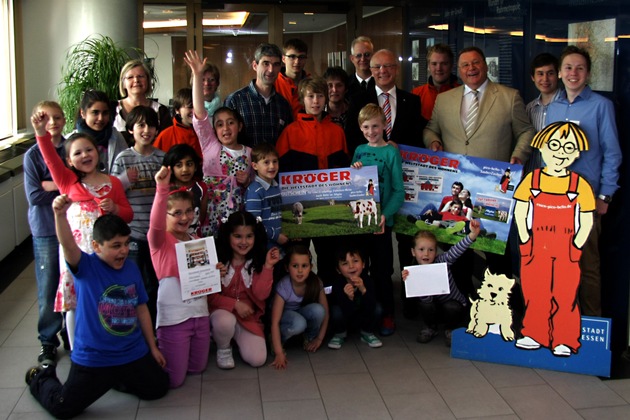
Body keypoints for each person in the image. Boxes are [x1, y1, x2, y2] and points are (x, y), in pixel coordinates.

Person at [25, 198, 168, 419]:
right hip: (94, 358)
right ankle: (40, 377)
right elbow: (68, 244)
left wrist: (153, 347)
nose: (122, 251)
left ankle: (115, 378)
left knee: (158, 388)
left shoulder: (130, 268)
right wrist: (59, 215)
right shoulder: (85, 267)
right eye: (115, 246)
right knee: (62, 407)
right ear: (96, 246)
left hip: (131, 352)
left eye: (126, 243)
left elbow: (141, 309)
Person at [31, 110, 133, 351]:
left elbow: (128, 215)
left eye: (89, 150)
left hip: (105, 256)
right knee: (76, 303)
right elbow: (49, 159)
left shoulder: (114, 183)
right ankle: (79, 349)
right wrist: (40, 133)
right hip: (76, 255)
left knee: (104, 298)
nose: (85, 155)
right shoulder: (68, 181)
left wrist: (116, 208)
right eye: (77, 153)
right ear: (68, 161)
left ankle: (106, 341)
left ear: (97, 152)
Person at [545, 45, 622, 317]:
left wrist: (605, 197)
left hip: (586, 201)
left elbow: (613, 154)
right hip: (554, 200)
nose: (573, 73)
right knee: (557, 265)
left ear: (588, 73)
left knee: (588, 267)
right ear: (560, 73)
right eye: (568, 67)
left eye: (579, 68)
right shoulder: (551, 107)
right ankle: (560, 323)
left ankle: (589, 330)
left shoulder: (601, 106)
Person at [514, 121, 595, 356]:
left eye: (568, 148)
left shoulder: (579, 184)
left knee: (566, 294)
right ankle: (534, 334)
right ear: (542, 147)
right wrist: (525, 241)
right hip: (535, 247)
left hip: (566, 250)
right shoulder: (533, 179)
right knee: (535, 292)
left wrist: (576, 247)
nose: (560, 152)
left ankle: (565, 340)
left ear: (577, 153)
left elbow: (586, 219)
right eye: (554, 145)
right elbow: (521, 211)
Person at [148, 165, 211, 387]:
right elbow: (155, 223)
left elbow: (203, 277)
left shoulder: (195, 239)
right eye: (177, 213)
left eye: (189, 211)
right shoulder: (160, 241)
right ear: (164, 215)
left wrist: (216, 270)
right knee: (174, 380)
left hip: (199, 314)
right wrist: (161, 189)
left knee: (198, 368)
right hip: (174, 319)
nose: (185, 217)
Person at [424, 46, 534, 164]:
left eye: (476, 62)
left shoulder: (510, 97)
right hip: (453, 176)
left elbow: (526, 131)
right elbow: (431, 130)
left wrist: (519, 155)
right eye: (465, 65)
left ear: (486, 66)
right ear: (459, 70)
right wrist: (433, 141)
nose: (471, 68)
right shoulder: (443, 99)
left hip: (493, 177)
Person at [185, 50, 253, 237]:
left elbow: (254, 183)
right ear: (213, 130)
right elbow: (199, 112)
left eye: (230, 123)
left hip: (236, 220)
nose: (226, 128)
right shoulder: (211, 146)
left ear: (239, 126)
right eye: (220, 124)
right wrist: (197, 75)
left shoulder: (249, 152)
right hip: (209, 217)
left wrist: (246, 180)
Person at [351, 103, 404, 336]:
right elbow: (351, 183)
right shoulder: (360, 150)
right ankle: (365, 312)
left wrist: (385, 215)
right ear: (360, 129)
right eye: (366, 127)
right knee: (361, 270)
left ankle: (387, 315)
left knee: (382, 272)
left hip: (382, 223)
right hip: (362, 221)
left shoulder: (391, 152)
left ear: (384, 125)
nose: (371, 131)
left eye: (375, 126)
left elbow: (398, 191)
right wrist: (354, 169)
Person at [111, 106, 165, 326]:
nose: (147, 130)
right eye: (141, 125)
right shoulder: (123, 159)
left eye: (151, 125)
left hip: (158, 234)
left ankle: (153, 326)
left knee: (155, 282)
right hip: (132, 233)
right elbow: (112, 193)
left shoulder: (162, 157)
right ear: (130, 130)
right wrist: (124, 180)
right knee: (132, 282)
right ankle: (130, 327)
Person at [209, 211, 282, 369]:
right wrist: (235, 304)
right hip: (221, 313)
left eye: (249, 236)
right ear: (228, 236)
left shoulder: (256, 262)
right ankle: (223, 347)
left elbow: (261, 295)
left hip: (248, 318)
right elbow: (210, 297)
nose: (244, 242)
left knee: (258, 359)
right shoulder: (218, 262)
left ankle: (232, 336)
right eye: (238, 236)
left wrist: (268, 267)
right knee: (224, 321)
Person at [24, 101, 66, 365]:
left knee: (71, 282)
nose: (53, 122)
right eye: (46, 117)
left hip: (72, 228)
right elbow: (34, 195)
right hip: (46, 230)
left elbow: (77, 184)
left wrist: (50, 182)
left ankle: (71, 333)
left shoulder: (71, 148)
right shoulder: (32, 156)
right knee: (48, 286)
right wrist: (57, 186)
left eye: (58, 117)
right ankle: (48, 341)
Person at [402, 219, 481, 346]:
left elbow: (458, 249)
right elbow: (426, 300)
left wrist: (472, 235)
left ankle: (451, 329)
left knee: (452, 307)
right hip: (433, 308)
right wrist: (410, 280)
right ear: (413, 252)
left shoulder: (443, 261)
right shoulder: (413, 272)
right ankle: (430, 328)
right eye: (421, 249)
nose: (426, 254)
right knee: (424, 304)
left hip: (453, 305)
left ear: (436, 251)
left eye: (431, 250)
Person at [345, 48, 424, 156]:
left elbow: (417, 139)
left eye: (388, 66)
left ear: (397, 69)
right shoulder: (357, 101)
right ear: (371, 71)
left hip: (403, 166)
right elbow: (351, 137)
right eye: (377, 67)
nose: (383, 71)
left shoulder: (412, 101)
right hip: (369, 166)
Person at [269, 244, 329, 369]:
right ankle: (278, 341)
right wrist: (279, 352)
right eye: (295, 266)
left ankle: (309, 337)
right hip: (286, 317)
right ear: (287, 267)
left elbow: (326, 313)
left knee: (318, 310)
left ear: (311, 267)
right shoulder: (283, 286)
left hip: (301, 313)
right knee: (298, 323)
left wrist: (319, 339)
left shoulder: (315, 282)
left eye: (304, 266)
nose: (300, 271)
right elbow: (274, 322)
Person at [224, 43, 293, 147]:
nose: (271, 70)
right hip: (243, 163)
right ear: (255, 66)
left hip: (274, 163)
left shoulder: (283, 105)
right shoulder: (235, 100)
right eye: (266, 63)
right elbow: (225, 141)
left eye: (276, 64)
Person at [327, 245, 382, 350]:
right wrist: (349, 298)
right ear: (338, 270)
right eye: (345, 263)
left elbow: (371, 306)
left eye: (355, 261)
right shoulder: (338, 284)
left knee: (378, 308)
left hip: (363, 316)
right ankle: (340, 334)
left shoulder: (368, 280)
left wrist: (363, 290)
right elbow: (345, 310)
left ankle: (367, 333)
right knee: (336, 311)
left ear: (364, 264)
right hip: (347, 317)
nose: (351, 266)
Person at [114, 59, 172, 144]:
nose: (136, 80)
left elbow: (167, 142)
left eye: (140, 76)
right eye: (130, 77)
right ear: (123, 84)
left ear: (148, 81)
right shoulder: (112, 108)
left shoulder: (161, 111)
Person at [70, 90, 127, 174]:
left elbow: (126, 165)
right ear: (83, 113)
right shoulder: (71, 140)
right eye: (95, 113)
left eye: (105, 113)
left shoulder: (116, 137)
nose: (100, 118)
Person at [245, 143, 288, 250]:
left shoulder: (276, 187)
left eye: (275, 161)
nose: (272, 166)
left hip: (279, 247)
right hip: (263, 248)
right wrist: (276, 236)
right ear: (255, 166)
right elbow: (253, 223)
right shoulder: (255, 190)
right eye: (266, 162)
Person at [525, 52, 562, 173]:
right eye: (540, 74)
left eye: (550, 73)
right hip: (533, 175)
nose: (545, 79)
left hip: (559, 177)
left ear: (558, 75)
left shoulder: (568, 107)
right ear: (533, 77)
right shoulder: (529, 108)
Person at [162, 144, 208, 237]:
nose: (185, 169)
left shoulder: (201, 187)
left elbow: (201, 217)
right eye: (179, 165)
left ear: (195, 166)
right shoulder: (165, 189)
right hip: (171, 239)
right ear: (170, 168)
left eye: (189, 164)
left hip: (194, 239)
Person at [412, 44, 460, 121]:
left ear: (451, 66)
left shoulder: (463, 93)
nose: (438, 68)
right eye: (434, 64)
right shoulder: (416, 94)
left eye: (444, 64)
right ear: (428, 66)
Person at [154, 88, 203, 160]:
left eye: (197, 106)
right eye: (190, 107)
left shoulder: (206, 133)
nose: (194, 111)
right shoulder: (166, 136)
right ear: (177, 110)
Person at [275, 38, 311, 119]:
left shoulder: (311, 84)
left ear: (306, 59)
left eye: (301, 57)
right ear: (283, 59)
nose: (297, 62)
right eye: (292, 57)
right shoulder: (273, 83)